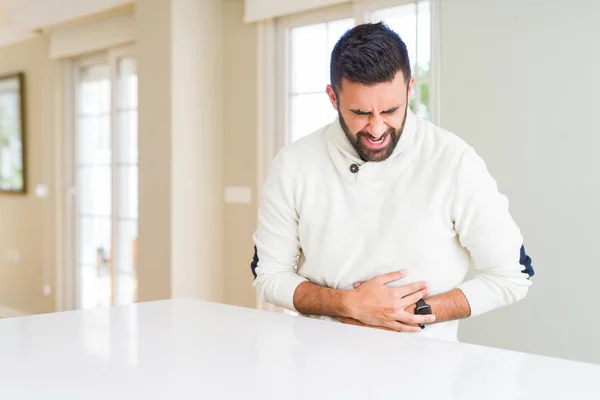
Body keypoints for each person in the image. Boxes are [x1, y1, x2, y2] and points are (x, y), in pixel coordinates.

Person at [251, 22, 534, 340]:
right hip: (319, 361)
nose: (376, 128)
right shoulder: (293, 164)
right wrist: (347, 305)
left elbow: (513, 275)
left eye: (390, 110)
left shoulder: (454, 161)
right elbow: (268, 275)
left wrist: (406, 314)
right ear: (333, 97)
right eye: (360, 112)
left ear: (410, 89)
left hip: (426, 372)